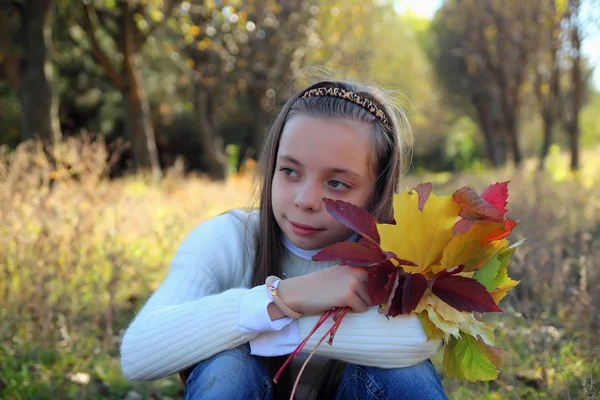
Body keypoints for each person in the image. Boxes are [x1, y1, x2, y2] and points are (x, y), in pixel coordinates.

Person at [120, 80, 449, 400]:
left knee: (404, 373)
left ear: (376, 192)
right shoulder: (229, 238)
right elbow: (139, 350)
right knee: (230, 367)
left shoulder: (400, 253)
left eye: (336, 183)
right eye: (290, 171)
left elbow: (423, 338)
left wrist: (273, 328)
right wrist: (286, 297)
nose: (305, 199)